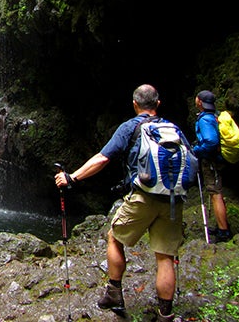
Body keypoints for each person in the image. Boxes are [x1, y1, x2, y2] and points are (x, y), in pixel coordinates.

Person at [54, 84, 184, 322]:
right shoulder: (173, 128)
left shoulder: (131, 126)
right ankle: (166, 313)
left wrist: (72, 177)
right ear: (158, 104)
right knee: (165, 256)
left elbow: (103, 158)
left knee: (114, 236)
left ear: (135, 104)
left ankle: (114, 292)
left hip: (143, 197)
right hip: (173, 199)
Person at [193, 90, 232, 242]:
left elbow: (210, 141)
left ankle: (224, 231)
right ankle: (221, 226)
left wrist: (196, 150)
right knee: (215, 192)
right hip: (216, 158)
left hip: (211, 160)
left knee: (216, 194)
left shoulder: (205, 120)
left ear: (200, 102)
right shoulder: (214, 115)